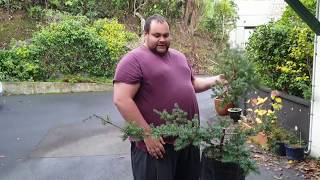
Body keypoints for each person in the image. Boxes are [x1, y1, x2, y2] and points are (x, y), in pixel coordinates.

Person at [113, 14, 227, 180]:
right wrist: (147, 134)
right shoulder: (133, 60)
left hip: (188, 142)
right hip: (159, 147)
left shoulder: (179, 57)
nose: (162, 39)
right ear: (145, 34)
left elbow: (192, 84)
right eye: (156, 35)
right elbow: (121, 100)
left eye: (166, 35)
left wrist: (217, 79)